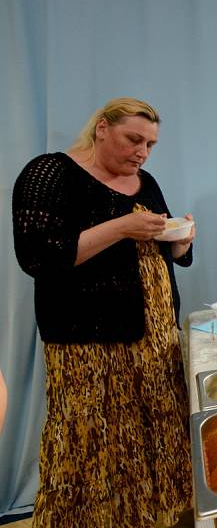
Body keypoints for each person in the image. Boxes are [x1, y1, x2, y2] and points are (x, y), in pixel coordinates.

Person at [12, 97, 196, 526]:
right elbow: (38, 258)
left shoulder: (145, 181)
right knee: (90, 445)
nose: (142, 152)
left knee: (151, 436)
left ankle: (150, 517)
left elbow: (163, 247)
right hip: (86, 341)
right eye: (133, 139)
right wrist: (121, 228)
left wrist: (181, 243)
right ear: (101, 128)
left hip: (154, 337)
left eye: (150, 144)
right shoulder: (49, 174)